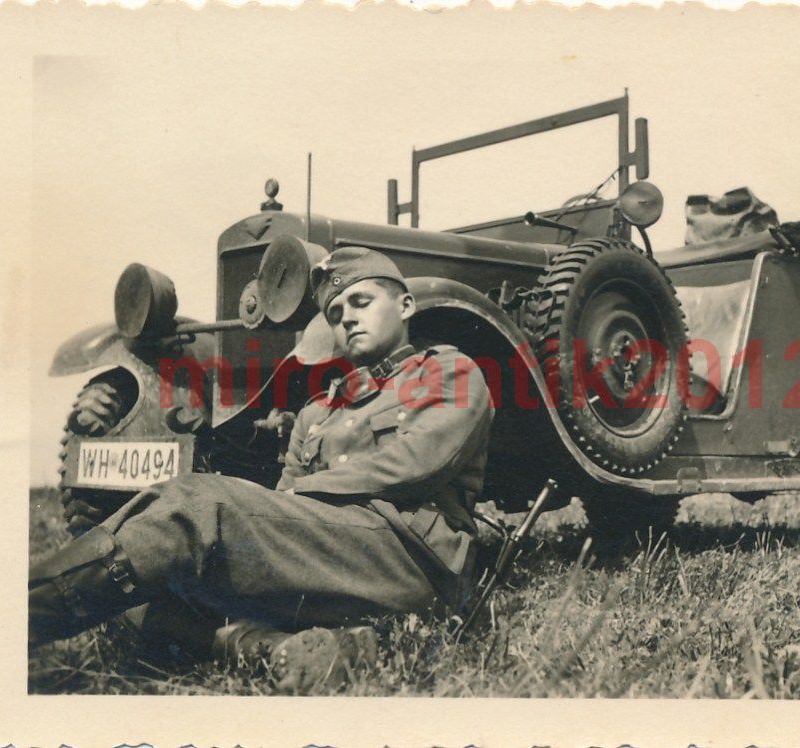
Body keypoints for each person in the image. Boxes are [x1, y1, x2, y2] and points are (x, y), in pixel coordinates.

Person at [29, 246, 495, 691]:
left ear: (406, 305)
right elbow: (282, 506)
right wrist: (277, 506)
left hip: (408, 559)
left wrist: (284, 499)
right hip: (330, 554)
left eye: (361, 301)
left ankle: (18, 616)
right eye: (335, 313)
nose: (348, 317)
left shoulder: (446, 371)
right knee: (151, 583)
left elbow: (417, 463)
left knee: (197, 503)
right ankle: (280, 650)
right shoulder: (318, 412)